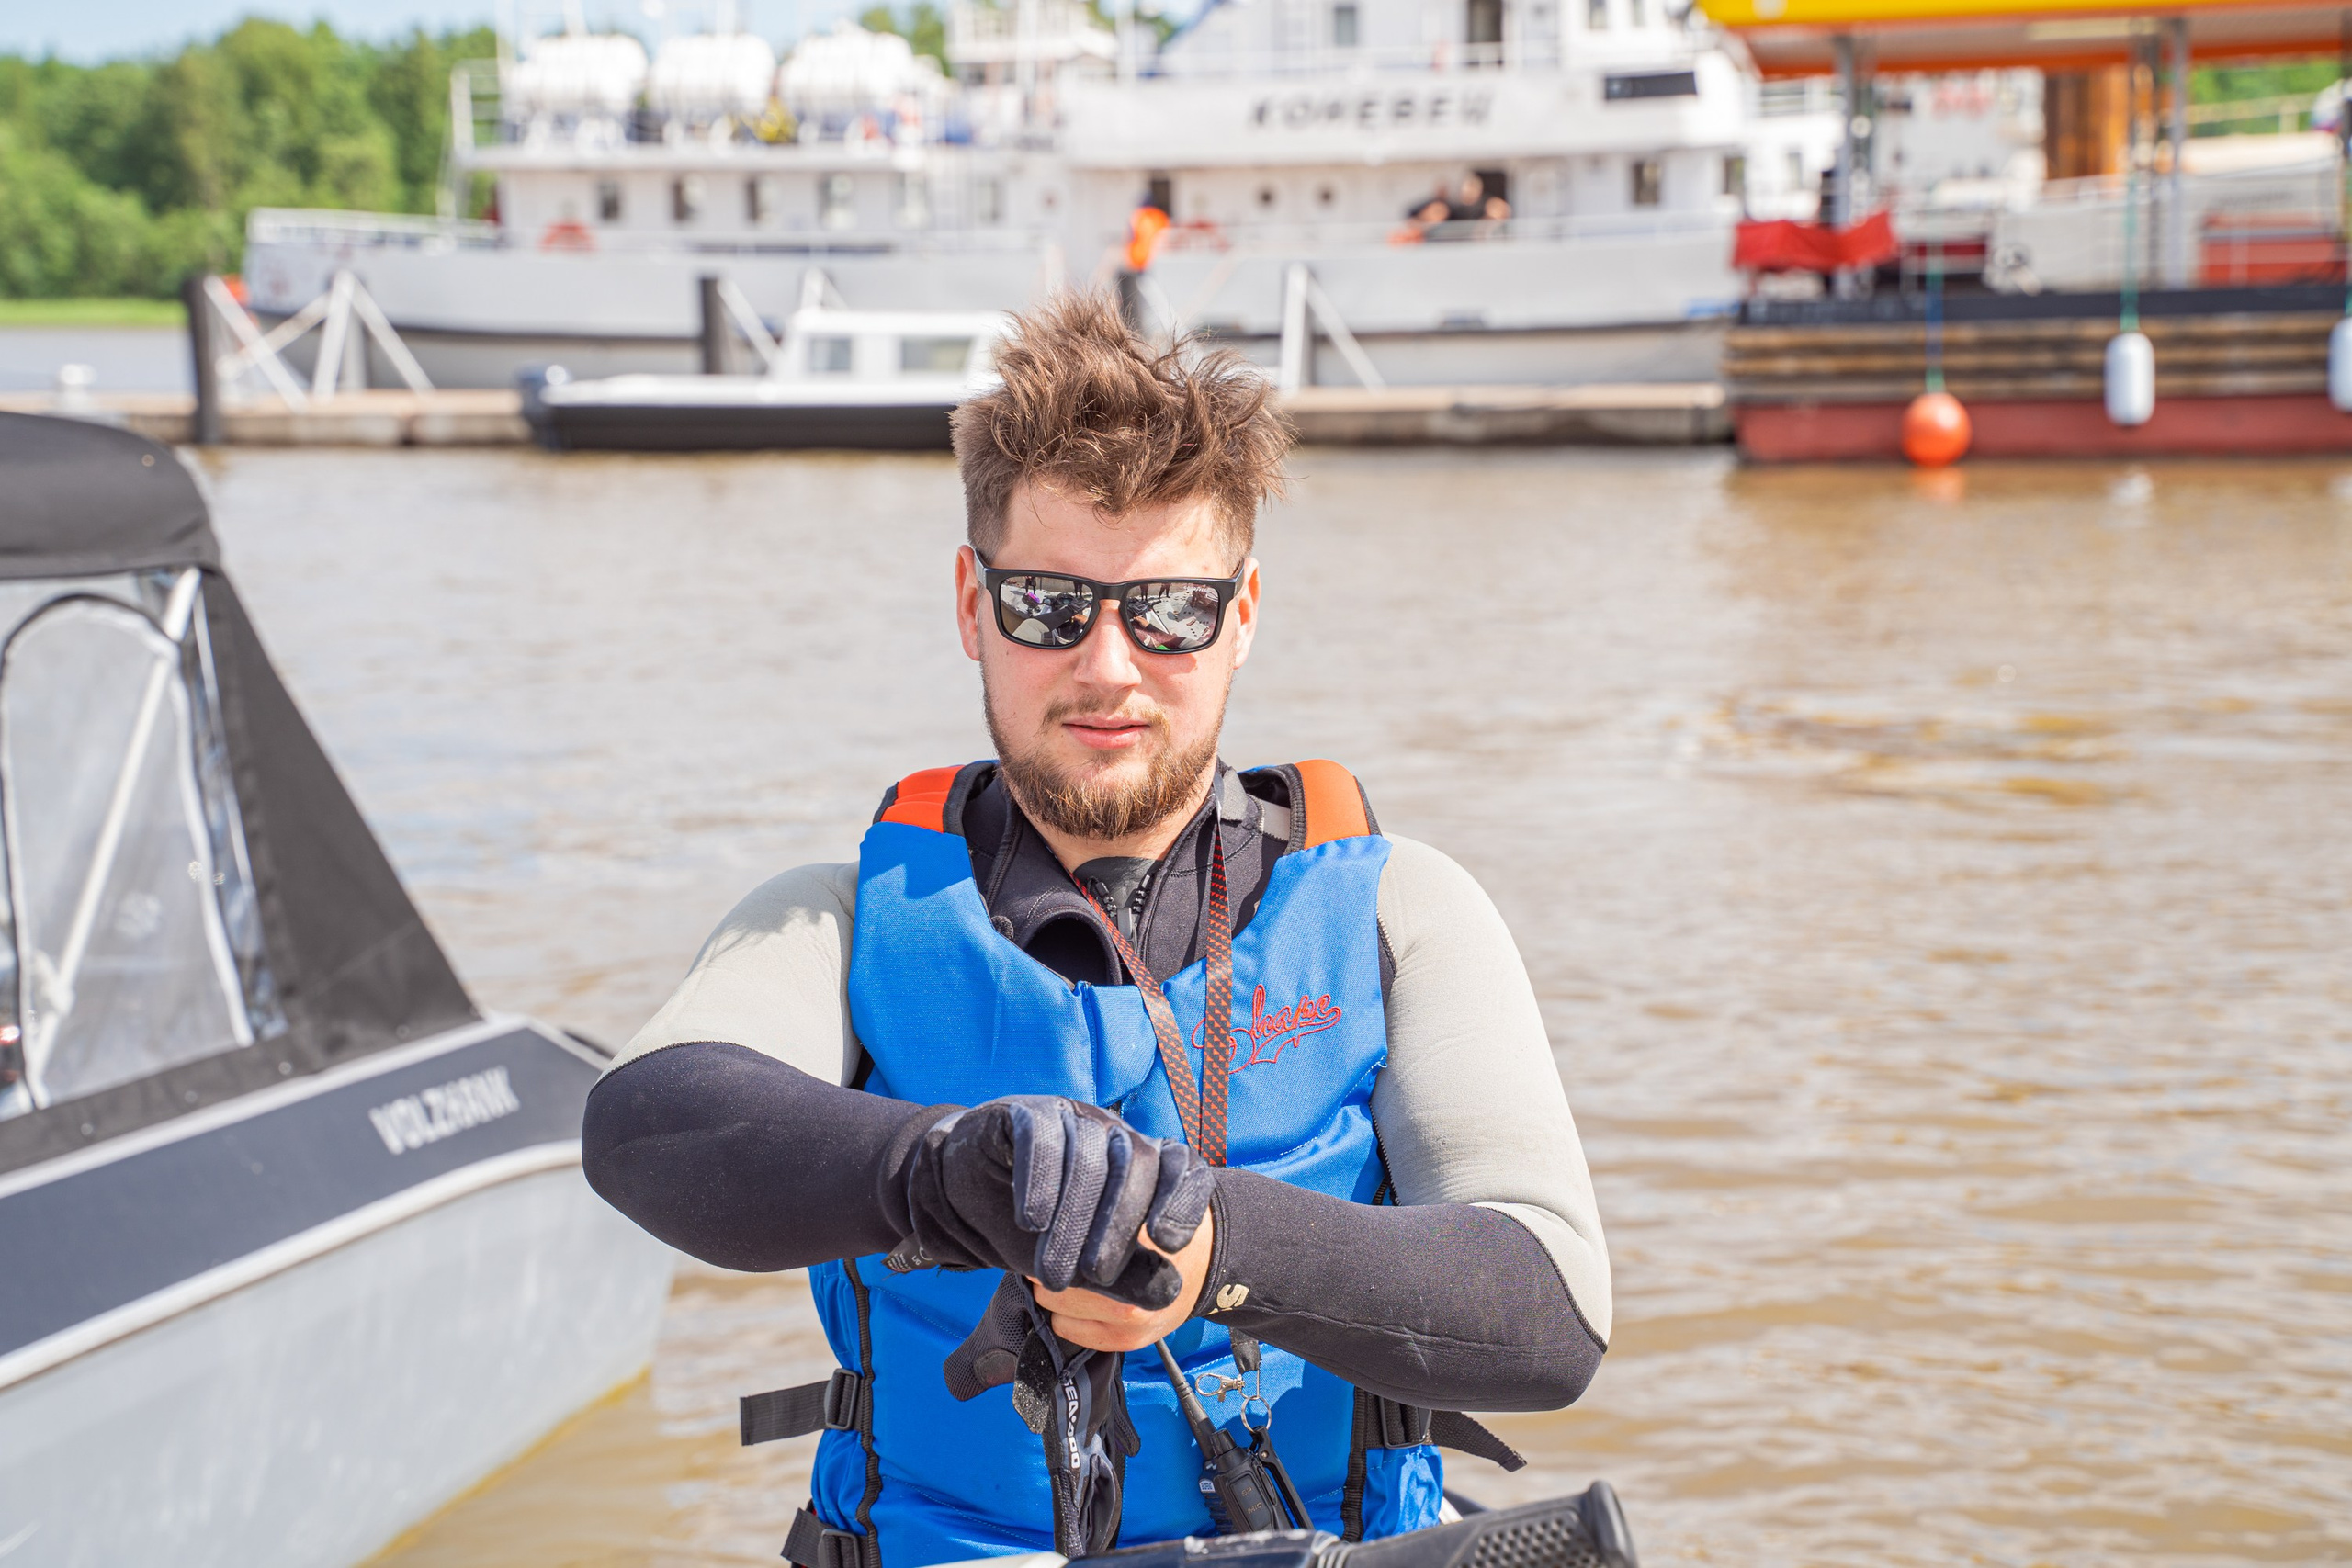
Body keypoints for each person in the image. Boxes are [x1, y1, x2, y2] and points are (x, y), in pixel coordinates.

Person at [582, 294, 1611, 1568]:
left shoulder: (1405, 910)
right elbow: (642, 1122)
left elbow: (1555, 1310)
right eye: (1050, 606)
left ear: (1241, 617)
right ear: (972, 605)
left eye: (1169, 608)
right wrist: (947, 1167)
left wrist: (1216, 1250)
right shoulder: (842, 919)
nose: (1111, 665)